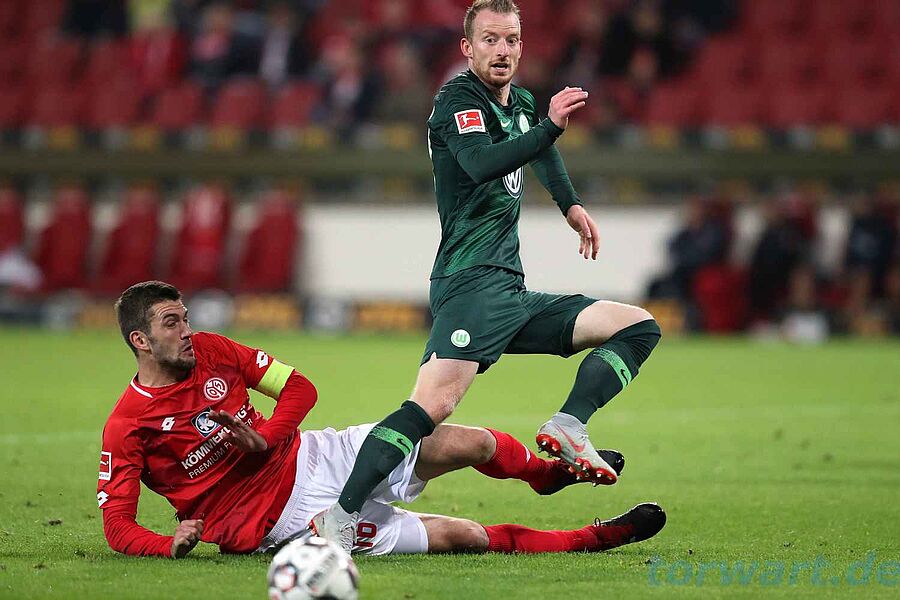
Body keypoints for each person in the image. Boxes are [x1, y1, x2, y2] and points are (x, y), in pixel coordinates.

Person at [316, 0, 662, 552]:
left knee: (637, 326)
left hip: (509, 290)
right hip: (470, 285)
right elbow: (481, 164)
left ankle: (570, 424)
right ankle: (340, 515)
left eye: (512, 40)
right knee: (430, 409)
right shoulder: (457, 100)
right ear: (468, 47)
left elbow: (540, 149)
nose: (502, 51)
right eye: (491, 40)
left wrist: (570, 204)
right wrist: (550, 127)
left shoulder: (520, 103)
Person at [97, 281, 666, 558]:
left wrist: (267, 437)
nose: (187, 331)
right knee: (464, 537)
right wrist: (166, 544)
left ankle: (545, 476)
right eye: (172, 324)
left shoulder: (215, 351)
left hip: (314, 454)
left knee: (469, 442)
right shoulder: (127, 427)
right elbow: (117, 524)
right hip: (279, 521)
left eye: (186, 318)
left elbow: (299, 387)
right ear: (140, 340)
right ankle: (594, 538)